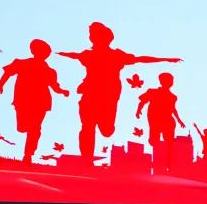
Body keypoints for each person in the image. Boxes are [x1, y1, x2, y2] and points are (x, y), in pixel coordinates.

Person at [58, 22, 181, 164]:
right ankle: (87, 159)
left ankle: (104, 130)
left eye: (95, 36)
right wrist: (60, 54)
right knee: (87, 126)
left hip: (109, 98)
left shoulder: (116, 55)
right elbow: (74, 55)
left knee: (107, 130)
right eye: (92, 35)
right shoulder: (88, 55)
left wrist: (165, 59)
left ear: (107, 39)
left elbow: (140, 59)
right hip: (90, 94)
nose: (92, 38)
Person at [0, 39, 70, 164]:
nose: (44, 54)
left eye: (46, 52)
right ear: (33, 51)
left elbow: (55, 87)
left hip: (41, 102)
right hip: (22, 100)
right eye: (41, 51)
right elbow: (7, 73)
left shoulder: (49, 71)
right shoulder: (21, 63)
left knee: (35, 128)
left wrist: (63, 91)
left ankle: (28, 154)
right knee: (22, 128)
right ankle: (28, 149)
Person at [135, 72, 185, 173]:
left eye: (171, 81)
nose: (170, 82)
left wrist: (179, 120)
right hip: (155, 120)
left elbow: (173, 109)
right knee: (154, 141)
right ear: (161, 81)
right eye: (168, 80)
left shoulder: (172, 97)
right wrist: (138, 110)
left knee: (169, 143)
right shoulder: (152, 92)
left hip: (168, 121)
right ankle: (159, 162)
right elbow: (143, 101)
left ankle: (169, 165)